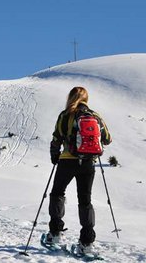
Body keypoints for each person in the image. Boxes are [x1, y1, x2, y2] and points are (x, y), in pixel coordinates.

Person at [46, 87, 111, 254]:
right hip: (88, 164)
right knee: (85, 200)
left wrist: (55, 156)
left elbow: (56, 138)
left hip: (67, 161)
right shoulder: (95, 116)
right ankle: (86, 243)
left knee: (57, 194)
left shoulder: (65, 115)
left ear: (70, 97)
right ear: (86, 99)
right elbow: (108, 139)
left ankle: (55, 233)